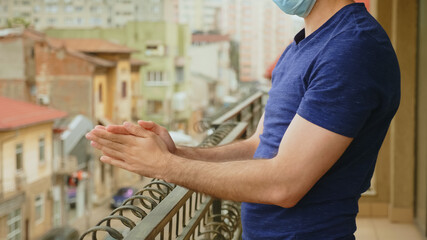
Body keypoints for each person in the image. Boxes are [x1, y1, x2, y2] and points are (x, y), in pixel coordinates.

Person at [86, 0, 400, 239]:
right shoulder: (301, 46)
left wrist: (165, 167)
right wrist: (178, 153)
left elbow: (285, 185)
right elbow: (259, 145)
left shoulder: (352, 48)